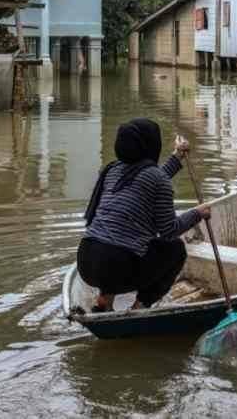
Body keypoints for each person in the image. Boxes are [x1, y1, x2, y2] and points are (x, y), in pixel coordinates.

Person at [78, 119, 210, 312]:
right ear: (151, 146)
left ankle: (104, 299)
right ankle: (140, 306)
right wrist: (197, 213)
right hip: (117, 266)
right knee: (175, 250)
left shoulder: (112, 170)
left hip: (86, 261)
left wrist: (177, 157)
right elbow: (169, 231)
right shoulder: (157, 180)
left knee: (116, 244)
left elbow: (149, 179)